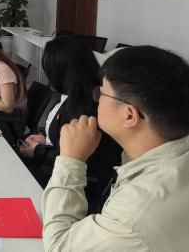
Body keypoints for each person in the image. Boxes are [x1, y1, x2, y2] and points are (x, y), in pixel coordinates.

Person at [42, 46, 189, 251]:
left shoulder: (132, 216)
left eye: (101, 93)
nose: (96, 99)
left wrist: (70, 160)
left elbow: (59, 245)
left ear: (129, 115)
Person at [18, 37, 122, 209]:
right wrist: (45, 138)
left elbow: (76, 159)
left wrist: (38, 150)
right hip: (58, 168)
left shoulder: (86, 109)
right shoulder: (75, 96)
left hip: (73, 186)